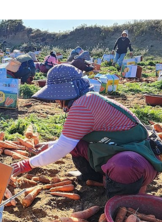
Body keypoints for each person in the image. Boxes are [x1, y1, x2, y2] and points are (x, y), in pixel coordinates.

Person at [11, 64, 162, 198]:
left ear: (65, 92)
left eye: (57, 96)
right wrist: (50, 145)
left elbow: (63, 147)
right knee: (79, 144)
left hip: (139, 163)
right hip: (122, 149)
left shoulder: (83, 106)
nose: (56, 101)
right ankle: (98, 180)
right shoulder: (87, 100)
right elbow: (69, 141)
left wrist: (27, 164)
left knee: (124, 164)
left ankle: (124, 195)